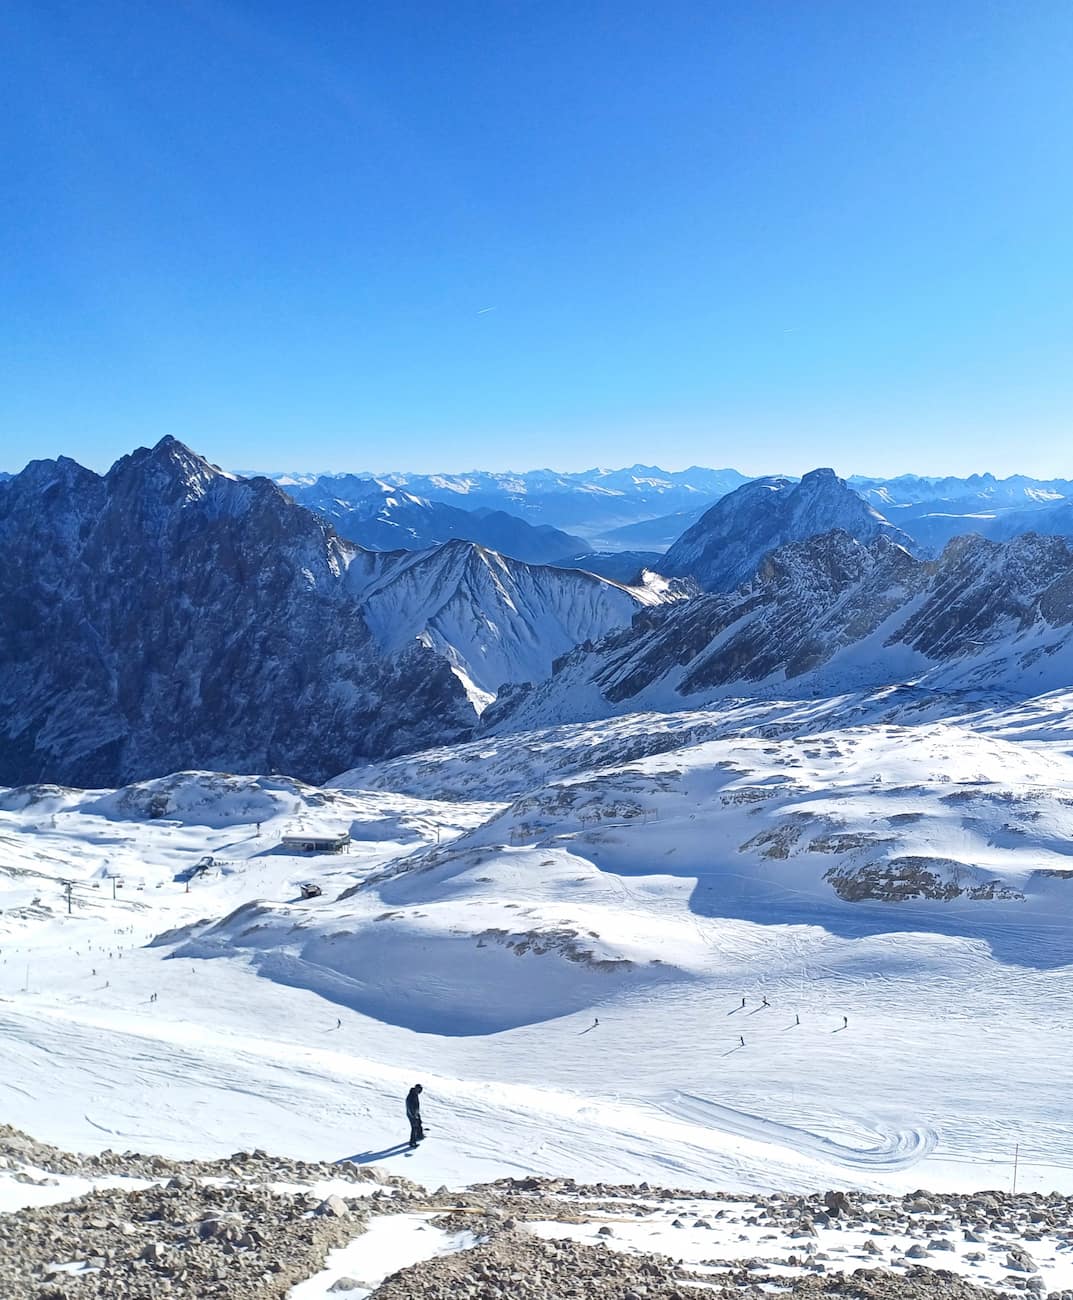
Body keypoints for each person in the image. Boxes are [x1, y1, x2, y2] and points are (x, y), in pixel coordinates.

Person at [406, 1084, 424, 1148]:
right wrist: (414, 1116)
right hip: (412, 1114)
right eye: (419, 1089)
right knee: (414, 1127)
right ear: (416, 1088)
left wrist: (417, 1114)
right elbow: (409, 1107)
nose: (420, 1091)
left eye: (420, 1090)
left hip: (415, 1113)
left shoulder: (415, 1094)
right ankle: (412, 1142)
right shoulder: (411, 1096)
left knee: (419, 1123)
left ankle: (420, 1135)